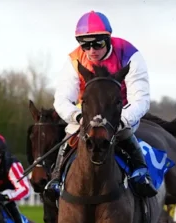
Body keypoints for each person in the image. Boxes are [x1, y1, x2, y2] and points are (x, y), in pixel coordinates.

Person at [45, 10, 157, 201]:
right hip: (88, 113)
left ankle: (141, 172)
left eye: (97, 44)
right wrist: (77, 116)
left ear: (108, 39)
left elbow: (141, 99)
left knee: (123, 131)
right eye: (85, 45)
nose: (91, 51)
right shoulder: (74, 59)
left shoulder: (130, 54)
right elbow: (62, 99)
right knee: (71, 131)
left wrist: (122, 119)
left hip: (119, 112)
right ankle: (56, 176)